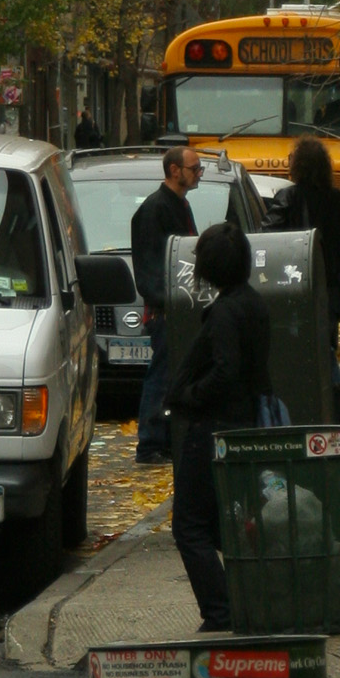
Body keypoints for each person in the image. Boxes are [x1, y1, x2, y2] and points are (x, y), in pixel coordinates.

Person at [166, 218, 272, 633]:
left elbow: (226, 371)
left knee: (190, 526)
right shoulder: (253, 303)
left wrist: (191, 396)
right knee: (223, 523)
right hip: (240, 424)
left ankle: (220, 610)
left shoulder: (226, 312)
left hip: (213, 428)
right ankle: (250, 595)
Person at [267, 135, 340, 419]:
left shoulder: (288, 197)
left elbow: (268, 237)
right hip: (327, 285)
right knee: (325, 352)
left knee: (296, 352)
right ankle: (334, 410)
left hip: (295, 285)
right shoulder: (337, 200)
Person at [129, 143, 202, 463]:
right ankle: (149, 443)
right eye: (194, 168)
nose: (198, 173)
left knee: (174, 377)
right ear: (175, 171)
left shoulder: (179, 205)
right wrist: (164, 300)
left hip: (180, 307)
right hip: (166, 310)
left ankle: (168, 439)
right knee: (161, 377)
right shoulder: (155, 209)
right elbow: (149, 266)